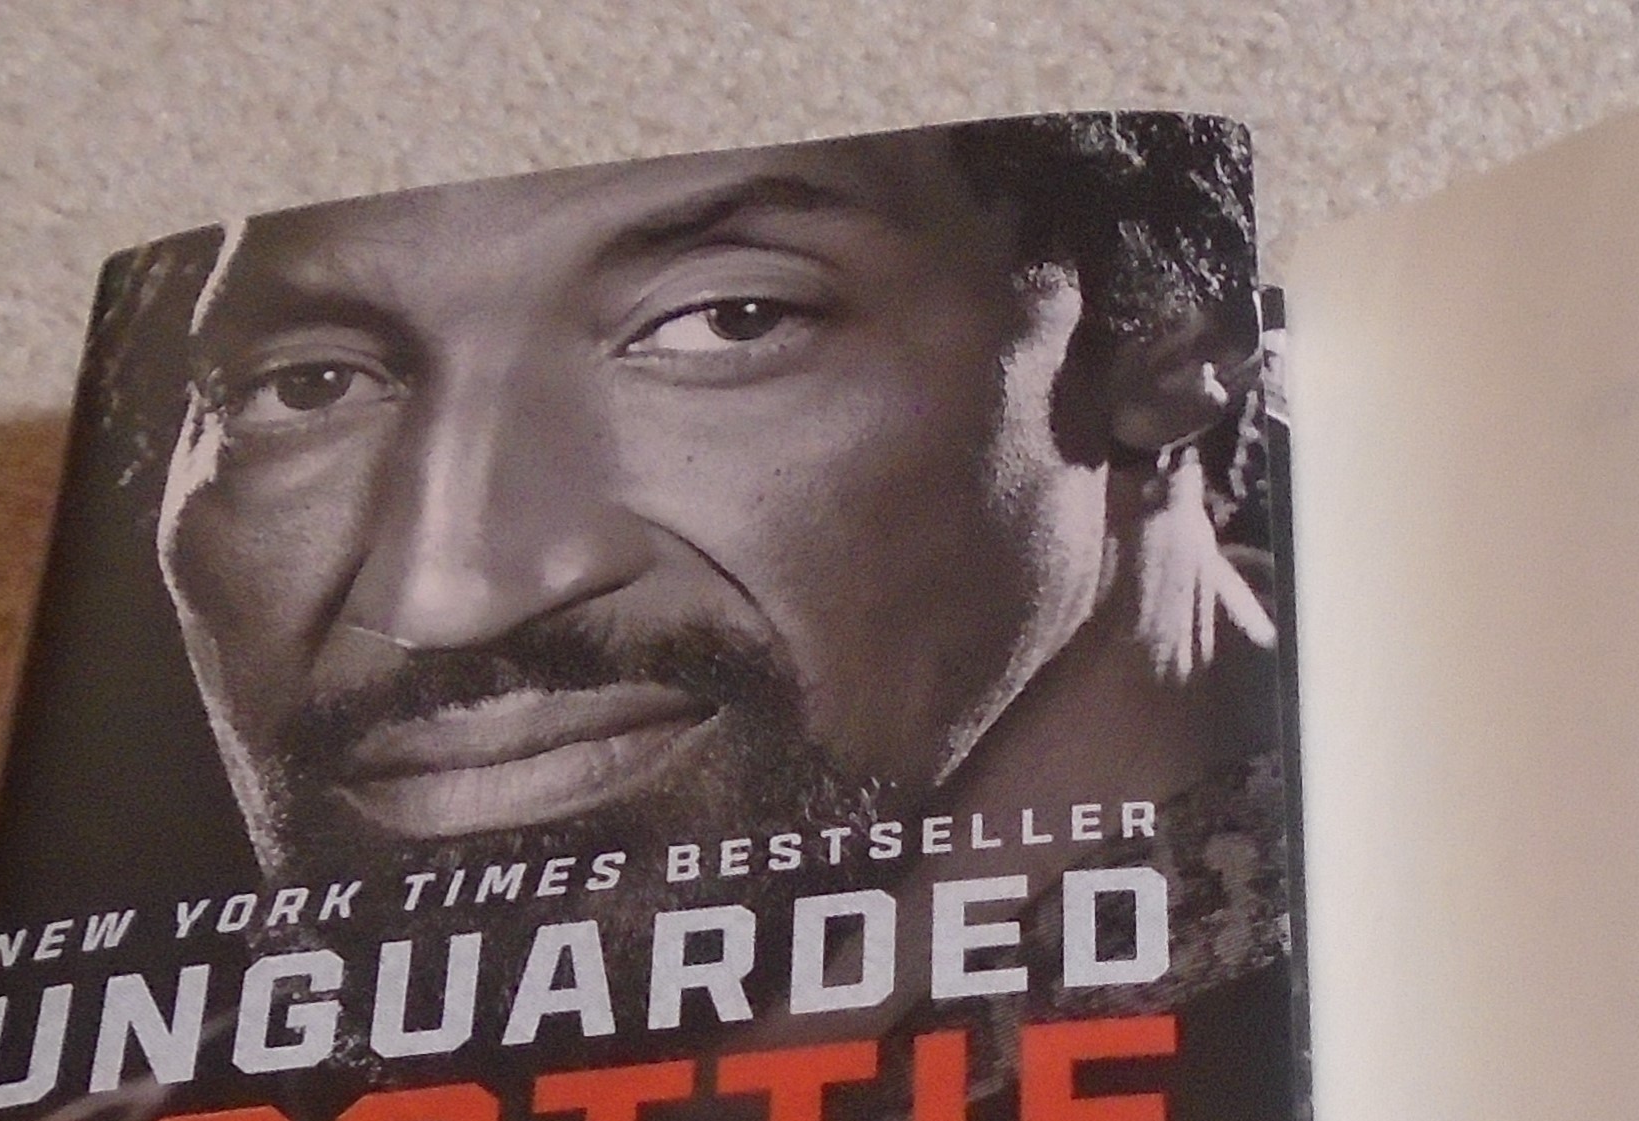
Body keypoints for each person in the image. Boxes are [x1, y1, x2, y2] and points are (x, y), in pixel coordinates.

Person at [147, 114, 1277, 920]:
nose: (443, 599)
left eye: (729, 320)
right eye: (309, 387)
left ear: (1173, 332)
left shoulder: (1342, 1040)